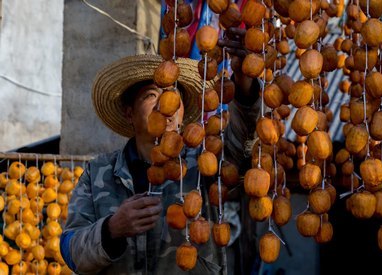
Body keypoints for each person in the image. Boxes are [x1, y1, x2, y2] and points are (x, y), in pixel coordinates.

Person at [60, 50, 260, 274]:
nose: (166, 103)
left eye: (173, 93)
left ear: (183, 112)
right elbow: (70, 251)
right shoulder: (99, 173)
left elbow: (243, 146)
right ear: (129, 113)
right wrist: (111, 229)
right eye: (151, 95)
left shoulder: (206, 164)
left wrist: (246, 91)